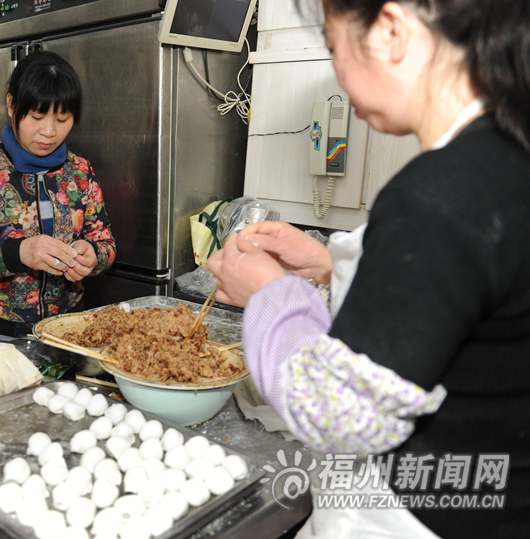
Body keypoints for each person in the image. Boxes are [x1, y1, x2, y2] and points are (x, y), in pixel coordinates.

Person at [208, 1, 530, 537]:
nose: (336, 70)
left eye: (335, 48)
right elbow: (457, 304)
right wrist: (327, 268)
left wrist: (271, 295)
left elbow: (338, 415)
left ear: (392, 30)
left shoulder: (439, 194)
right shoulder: (504, 160)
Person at [0, 51, 117, 340]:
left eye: (62, 119)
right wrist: (19, 252)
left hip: (66, 334)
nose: (49, 131)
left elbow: (105, 241)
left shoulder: (80, 171)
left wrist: (94, 256)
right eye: (37, 116)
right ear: (12, 105)